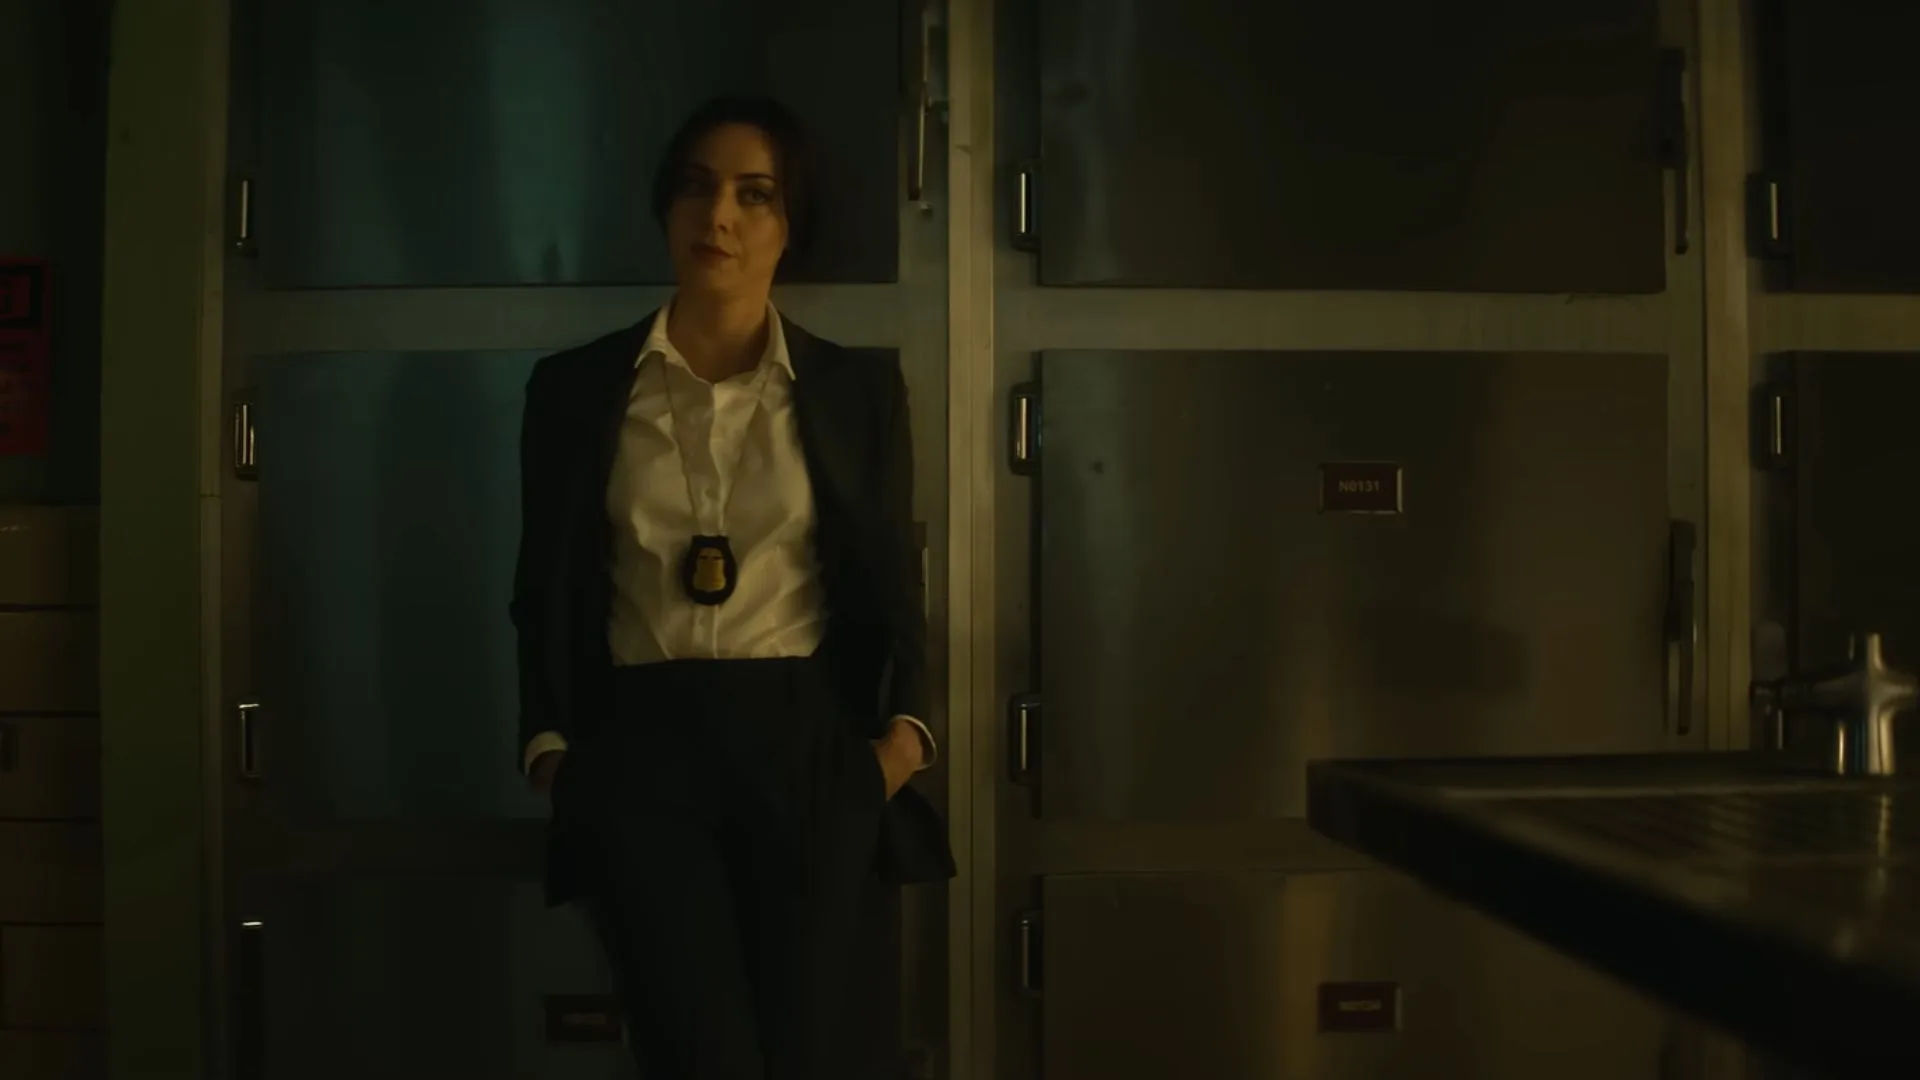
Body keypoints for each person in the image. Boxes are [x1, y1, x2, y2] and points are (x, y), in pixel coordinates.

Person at [510, 95, 955, 1079]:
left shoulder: (854, 391)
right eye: (697, 187)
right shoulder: (575, 389)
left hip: (807, 745)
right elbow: (542, 584)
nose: (718, 217)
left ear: (791, 224)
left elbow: (891, 574)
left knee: (814, 1055)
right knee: (696, 1056)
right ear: (666, 208)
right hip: (640, 752)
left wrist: (903, 742)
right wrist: (552, 755)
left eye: (754, 195)